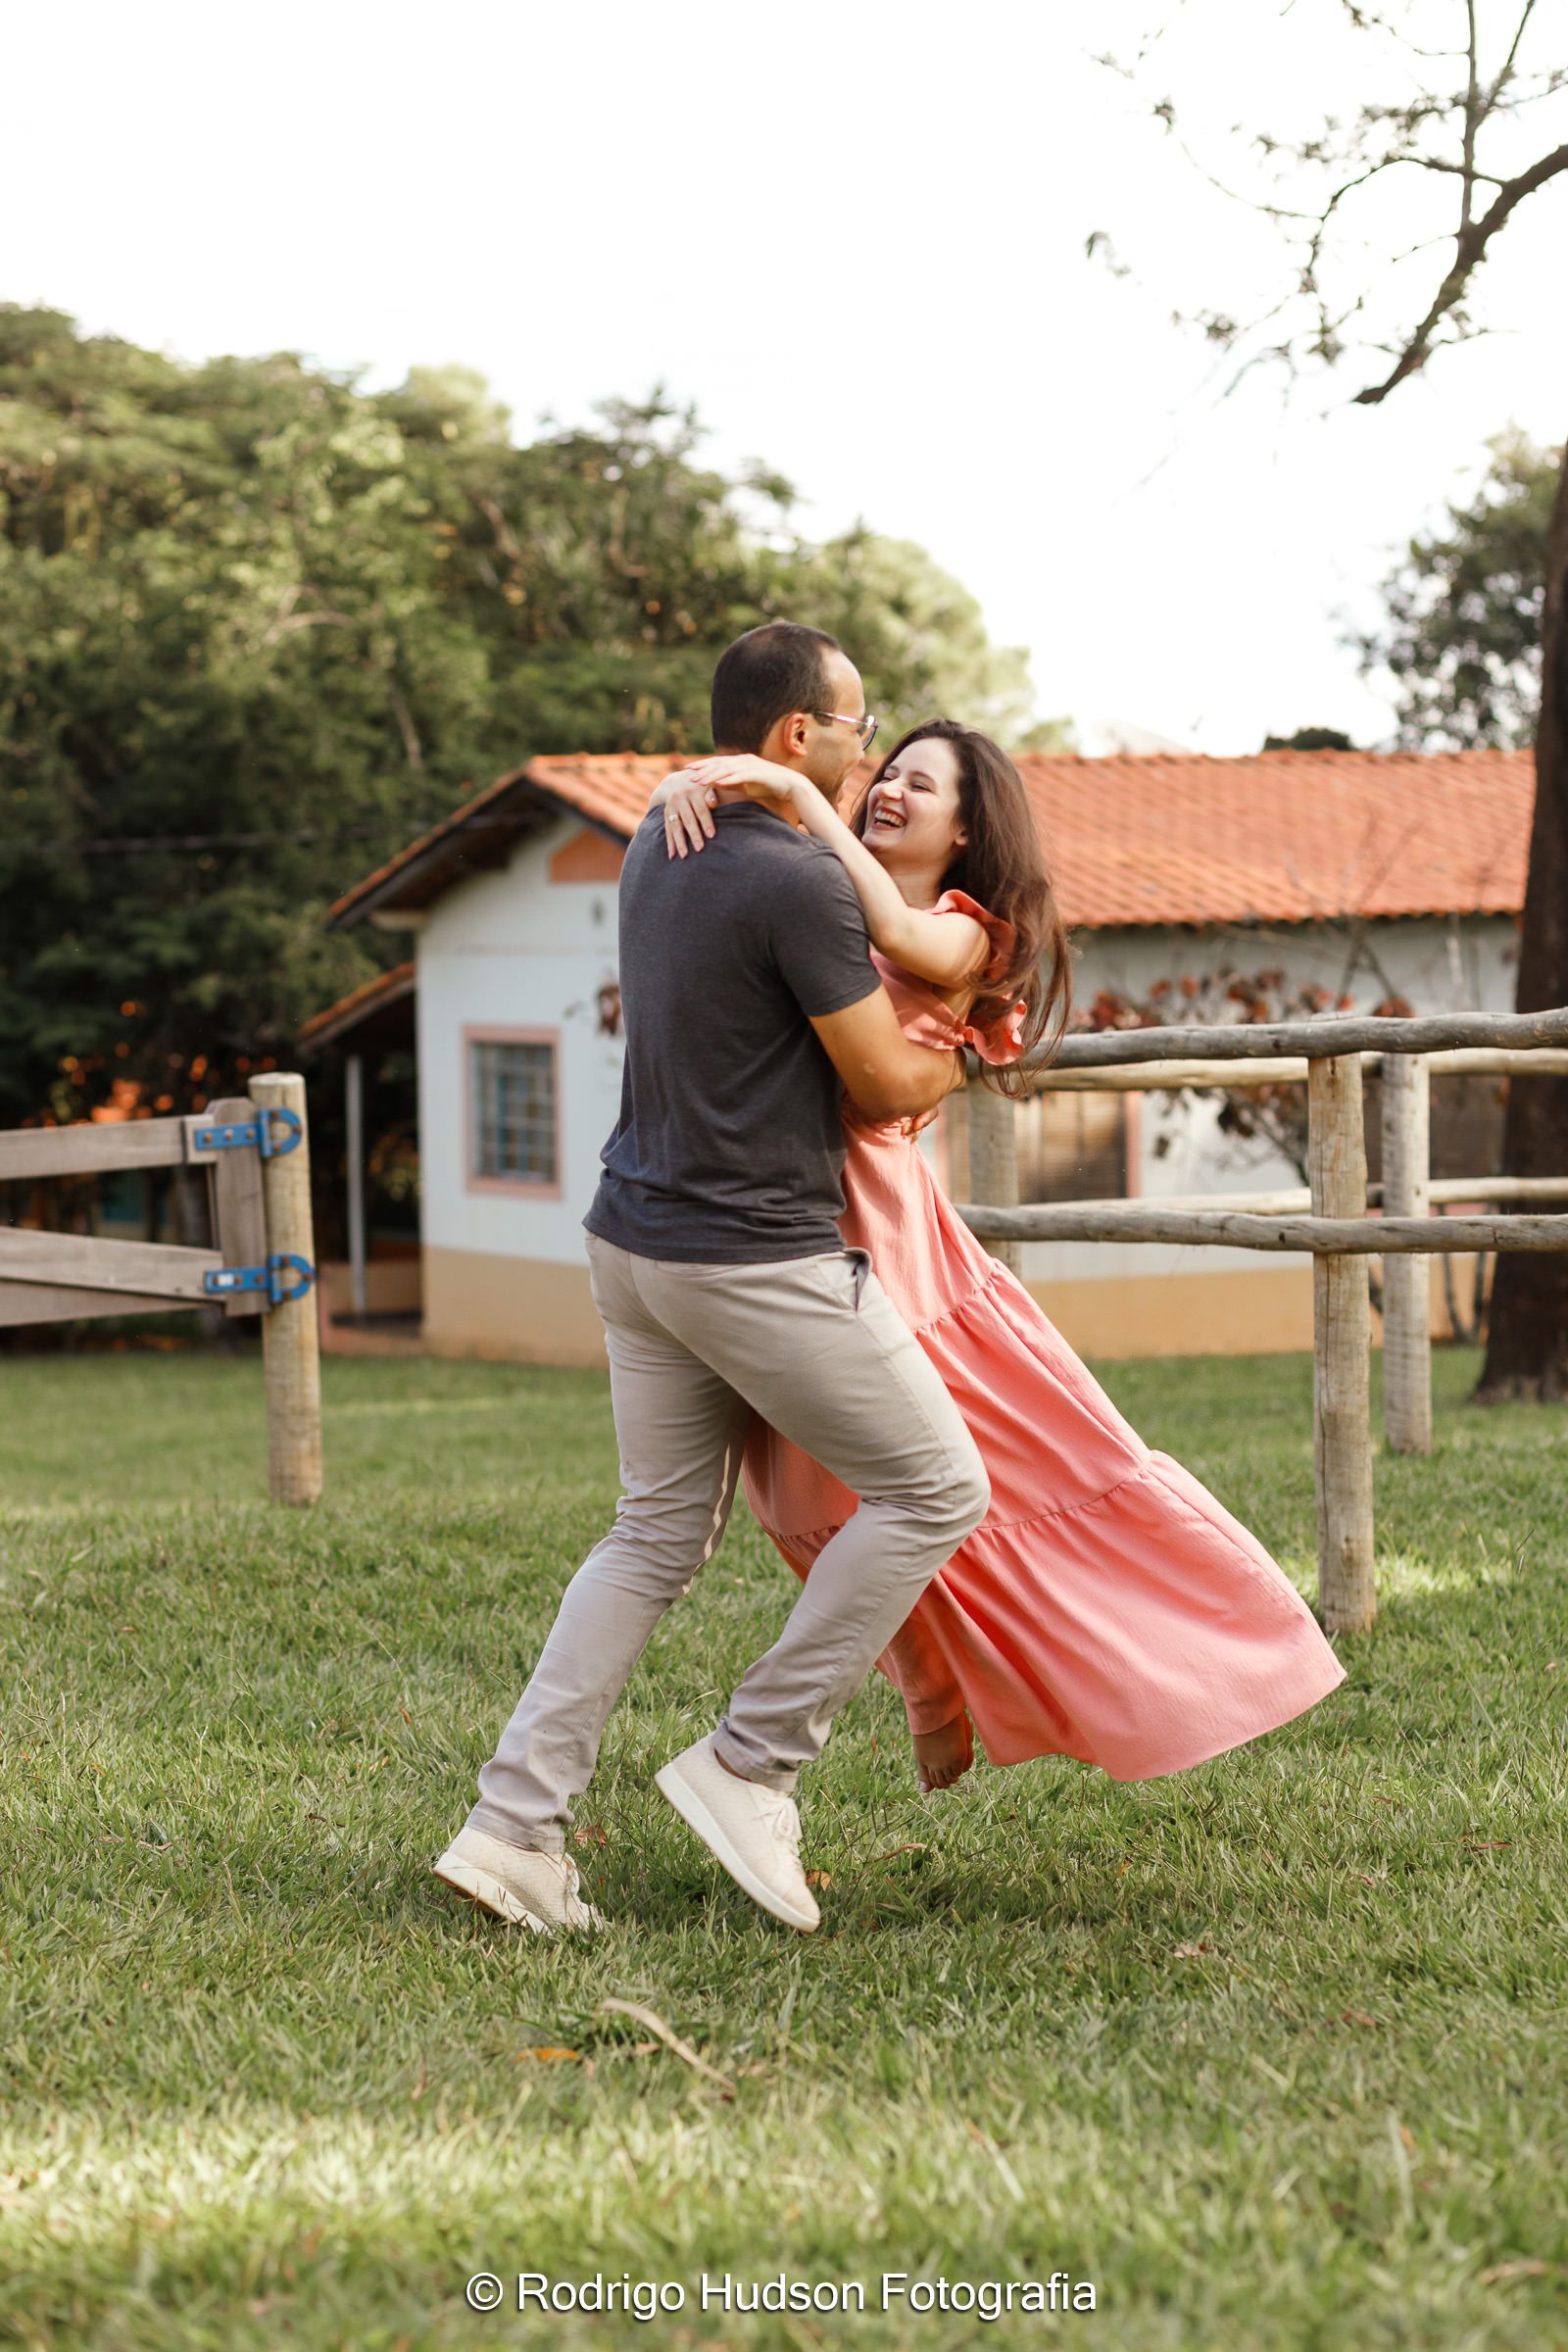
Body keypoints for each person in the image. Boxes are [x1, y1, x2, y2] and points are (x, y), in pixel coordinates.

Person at [653, 721, 1346, 1795]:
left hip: (885, 1238)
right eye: (887, 773)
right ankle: (931, 1692)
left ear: (968, 830)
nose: (888, 791)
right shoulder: (823, 901)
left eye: (918, 786)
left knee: (988, 1477)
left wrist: (800, 799)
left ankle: (1207, 1660)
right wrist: (697, 796)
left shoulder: (963, 931)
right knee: (802, 1501)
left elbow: (901, 938)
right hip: (782, 1219)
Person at [433, 624, 990, 1937]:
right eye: (859, 727)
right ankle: (753, 1760)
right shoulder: (798, 880)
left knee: (651, 1537)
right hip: (750, 1256)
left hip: (630, 1240)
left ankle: (512, 1828)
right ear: (798, 735)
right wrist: (968, 1049)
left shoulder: (658, 835)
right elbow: (885, 1084)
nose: (870, 750)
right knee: (938, 1487)